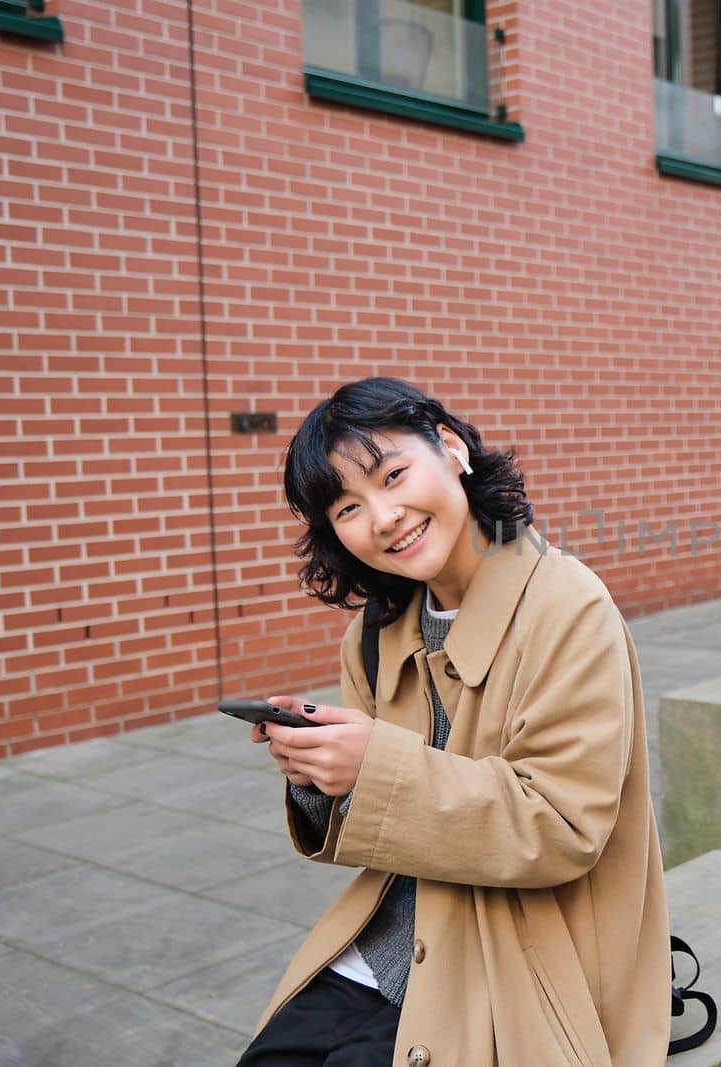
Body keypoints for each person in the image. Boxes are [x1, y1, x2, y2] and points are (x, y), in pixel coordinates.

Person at [238, 377, 670, 1067]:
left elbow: (561, 825)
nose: (382, 516)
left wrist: (371, 767)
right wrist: (319, 776)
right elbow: (385, 831)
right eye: (348, 507)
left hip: (517, 965)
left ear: (450, 449)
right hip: (381, 948)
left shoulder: (567, 606)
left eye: (394, 475)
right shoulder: (376, 634)